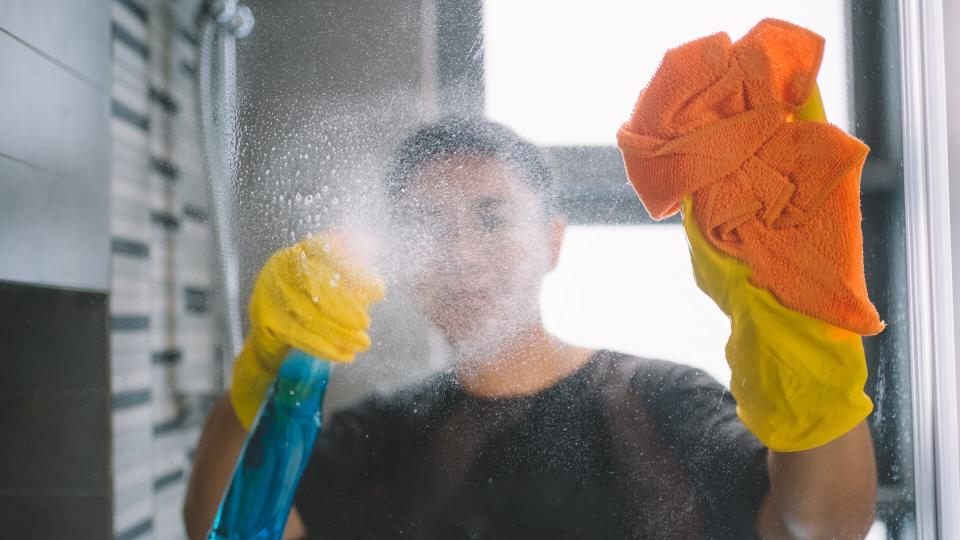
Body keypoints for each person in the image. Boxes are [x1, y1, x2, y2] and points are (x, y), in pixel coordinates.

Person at [184, 117, 877, 539]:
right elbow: (224, 527)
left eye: (492, 218)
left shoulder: (661, 400)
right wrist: (267, 372)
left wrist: (805, 334)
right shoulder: (383, 433)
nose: (460, 254)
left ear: (552, 241)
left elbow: (823, 526)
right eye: (427, 226)